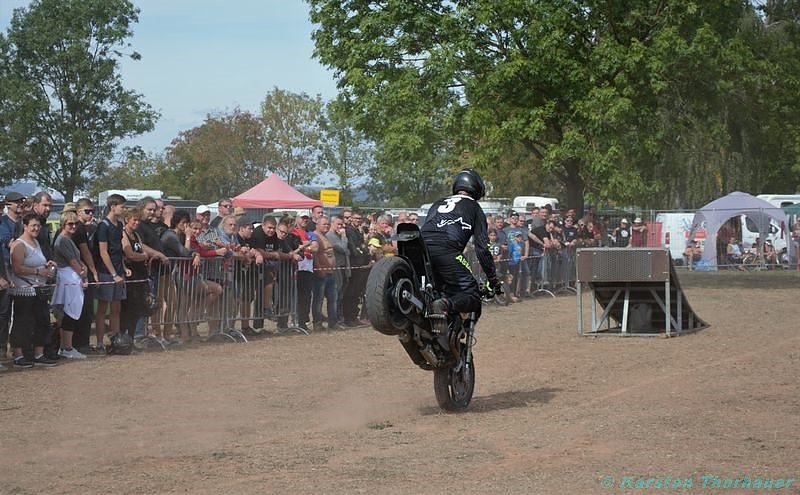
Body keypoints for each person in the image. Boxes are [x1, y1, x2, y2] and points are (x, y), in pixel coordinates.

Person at [421, 169, 501, 321]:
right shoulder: (475, 208)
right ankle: (445, 305)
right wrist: (492, 278)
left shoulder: (437, 203)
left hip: (421, 250)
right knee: (472, 294)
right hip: (448, 252)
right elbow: (482, 247)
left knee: (433, 289)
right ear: (477, 188)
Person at [8, 213, 59, 367]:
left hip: (39, 289)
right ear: (25, 226)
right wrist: (38, 272)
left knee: (42, 321)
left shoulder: (36, 242)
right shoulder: (19, 245)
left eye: (38, 225)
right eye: (33, 226)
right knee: (22, 322)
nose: (36, 228)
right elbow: (17, 268)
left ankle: (39, 354)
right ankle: (18, 355)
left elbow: (36, 262)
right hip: (24, 290)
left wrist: (46, 267)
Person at [51, 210, 88, 359]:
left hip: (71, 277)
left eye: (75, 223)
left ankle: (65, 346)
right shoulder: (63, 240)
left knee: (69, 312)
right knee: (70, 312)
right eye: (70, 224)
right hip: (68, 277)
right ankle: (66, 347)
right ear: (63, 224)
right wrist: (83, 274)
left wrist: (83, 270)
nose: (73, 226)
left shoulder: (68, 239)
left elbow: (77, 260)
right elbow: (73, 261)